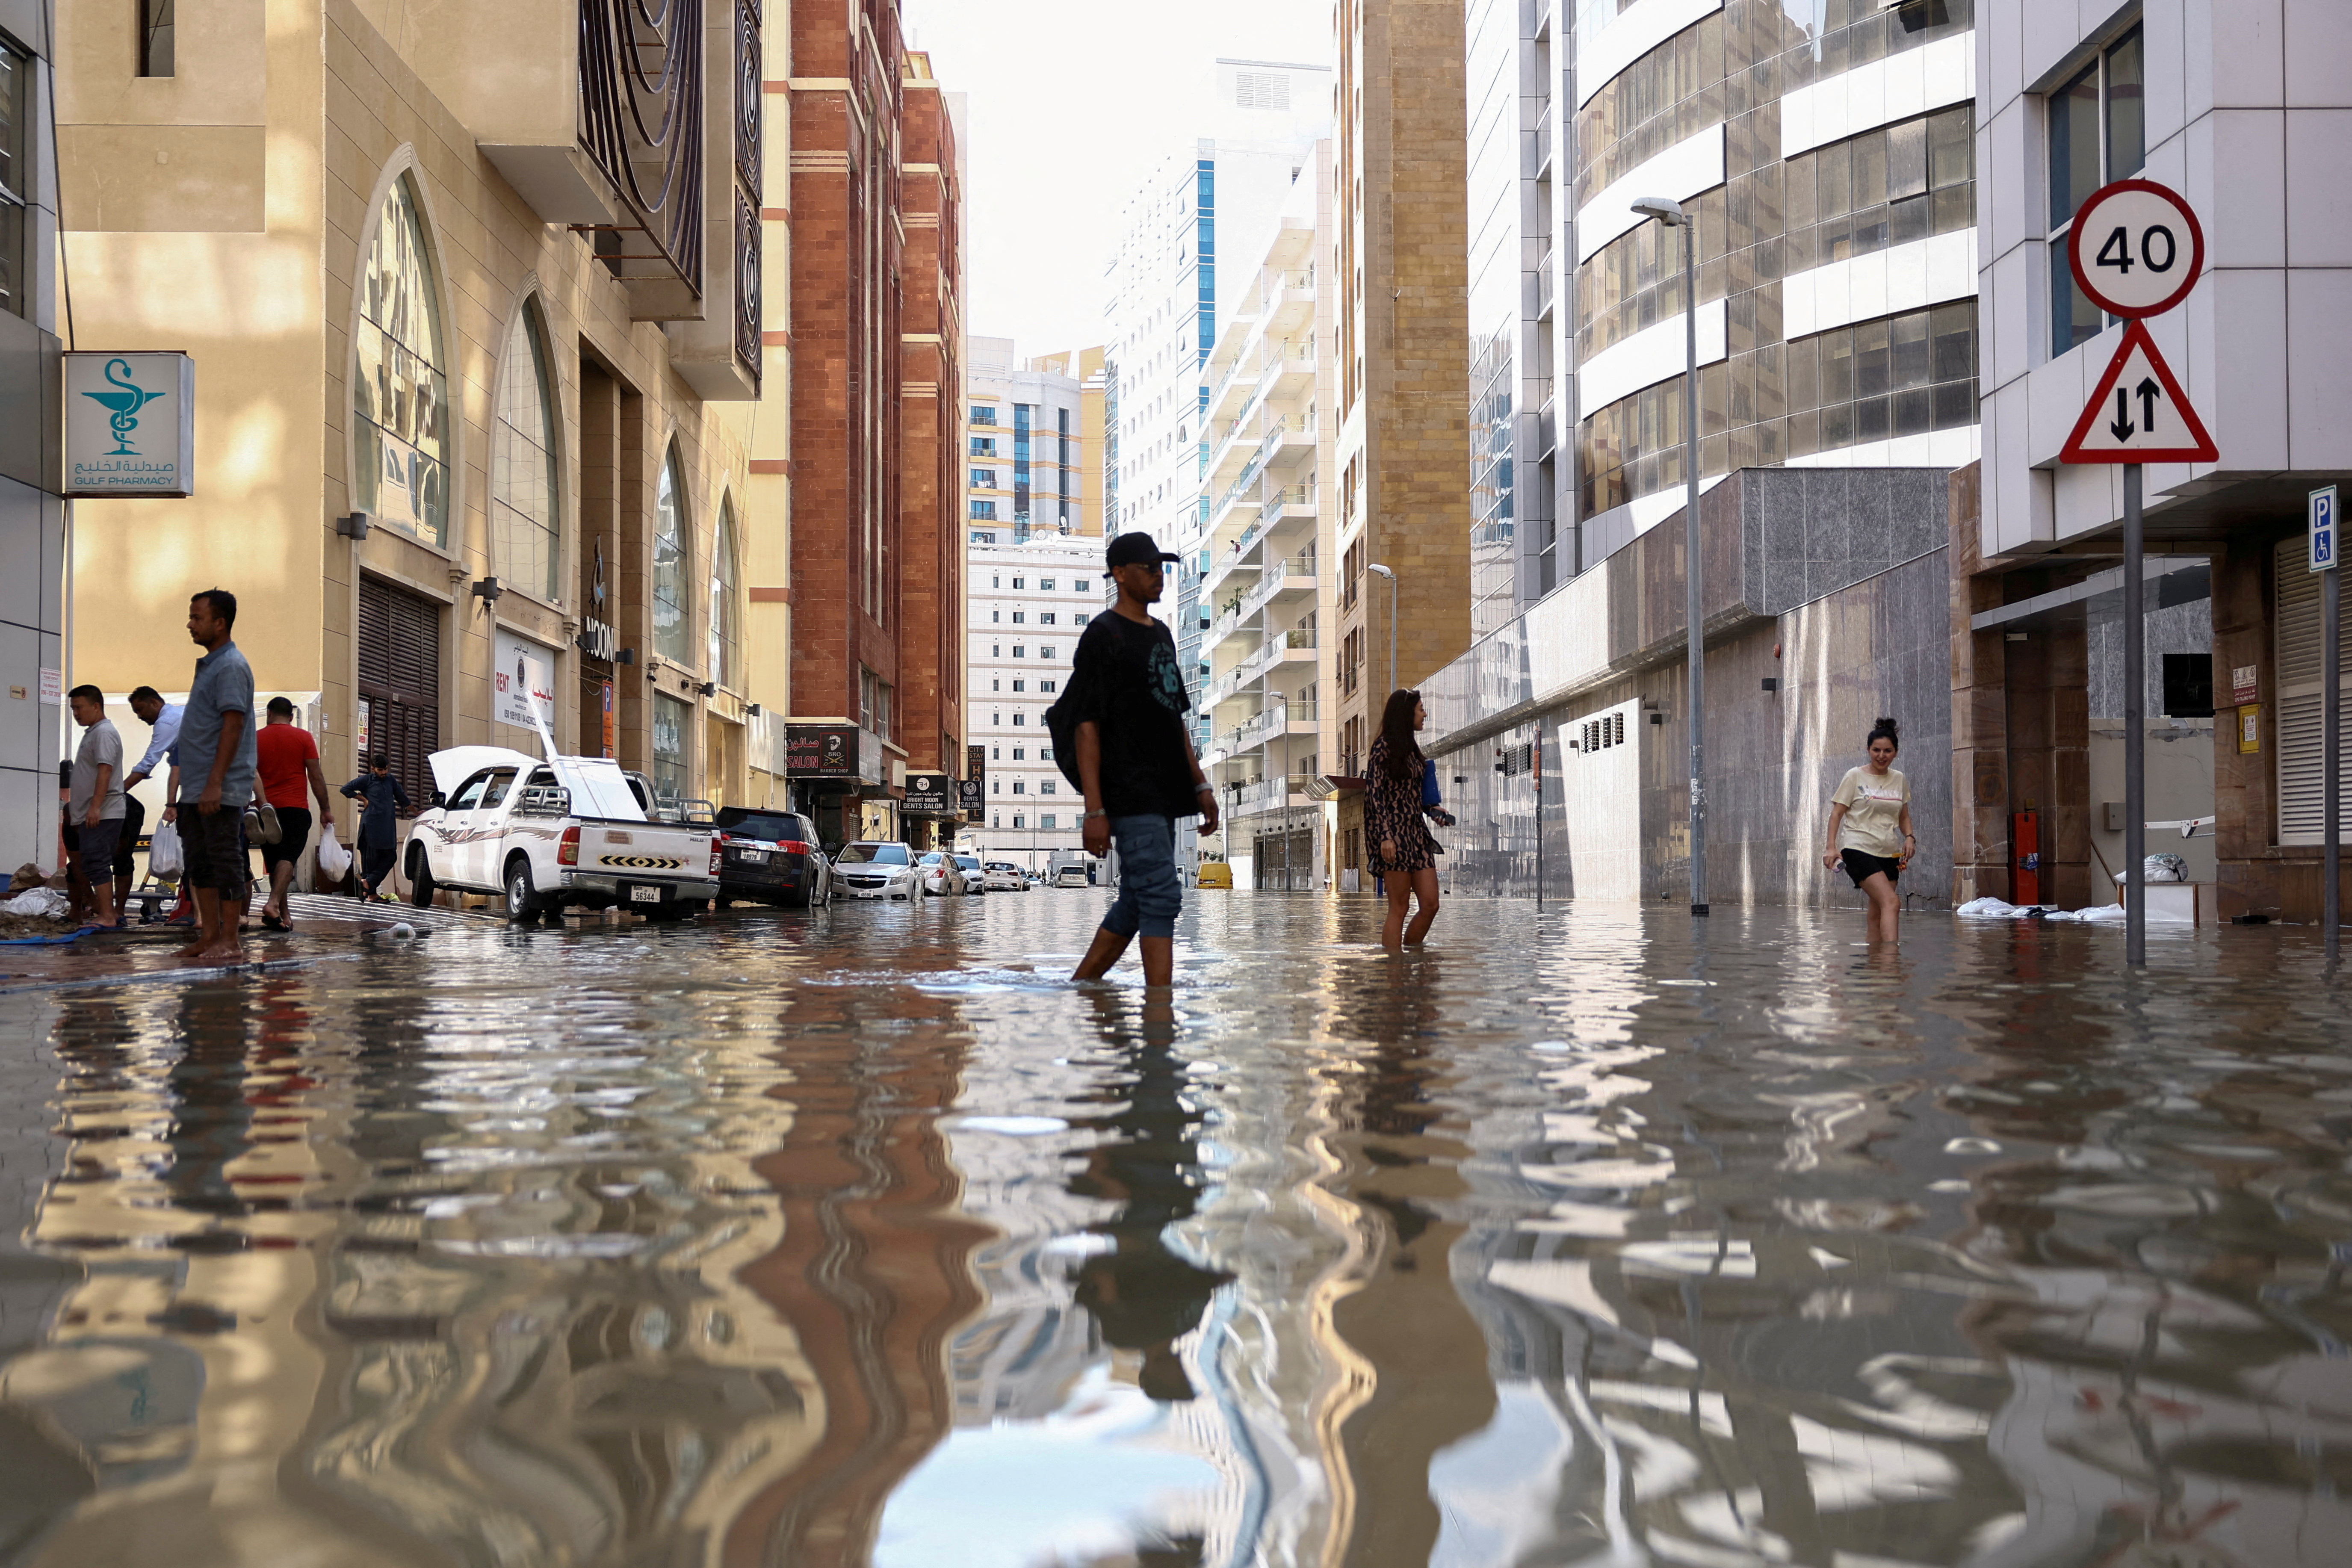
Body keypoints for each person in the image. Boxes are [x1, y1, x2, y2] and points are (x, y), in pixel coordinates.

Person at [1061, 531, 1220, 986]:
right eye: (1149, 568)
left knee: (1137, 897)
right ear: (1120, 573)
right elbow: (1086, 727)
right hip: (1127, 789)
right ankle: (1159, 1012)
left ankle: (1083, 988)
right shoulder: (1102, 636)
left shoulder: (1163, 634)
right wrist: (1094, 809)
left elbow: (1175, 717)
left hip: (1166, 789)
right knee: (1161, 894)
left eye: (1162, 567)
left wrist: (1200, 784)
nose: (1158, 576)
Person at [174, 589, 259, 962]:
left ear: (219, 623)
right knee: (200, 862)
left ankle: (231, 940)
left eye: (197, 617)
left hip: (218, 789)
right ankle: (209, 936)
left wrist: (215, 782)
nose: (190, 624)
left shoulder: (231, 666)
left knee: (226, 860)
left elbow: (233, 725)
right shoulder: (211, 664)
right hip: (196, 788)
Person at [1365, 688, 1449, 950]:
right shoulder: (1382, 748)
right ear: (1406, 713)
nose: (1425, 714)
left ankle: (1412, 956)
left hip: (1417, 833)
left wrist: (1432, 809)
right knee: (1399, 908)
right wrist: (1386, 837)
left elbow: (1413, 793)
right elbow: (1374, 796)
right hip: (1393, 833)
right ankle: (1394, 972)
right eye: (1421, 709)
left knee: (1431, 904)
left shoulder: (1412, 748)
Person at [1823, 716, 1915, 944]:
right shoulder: (1854, 776)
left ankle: (1876, 968)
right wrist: (1831, 848)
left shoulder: (1899, 779)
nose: (1881, 756)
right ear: (1868, 750)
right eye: (1876, 750)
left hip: (1890, 853)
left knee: (1878, 913)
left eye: (1888, 751)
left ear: (1896, 752)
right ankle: (1892, 962)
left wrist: (1910, 837)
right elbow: (1836, 814)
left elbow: (1903, 815)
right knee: (1892, 903)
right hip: (1858, 849)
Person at [253, 696, 335, 930]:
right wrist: (326, 809)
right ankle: (271, 904)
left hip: (265, 808)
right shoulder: (303, 738)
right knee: (288, 859)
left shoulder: (256, 739)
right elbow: (316, 776)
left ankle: (282, 916)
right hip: (295, 808)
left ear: (269, 713)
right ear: (291, 717)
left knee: (276, 861)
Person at [118, 685, 183, 918]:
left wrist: (118, 792)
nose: (140, 716)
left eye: (141, 709)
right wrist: (171, 803)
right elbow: (176, 767)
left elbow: (149, 762)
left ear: (155, 703)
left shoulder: (166, 724)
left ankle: (193, 909)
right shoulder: (183, 715)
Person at [65, 686, 127, 930]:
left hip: (104, 811)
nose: (76, 713)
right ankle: (106, 914)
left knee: (97, 862)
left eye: (79, 708)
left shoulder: (104, 733)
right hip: (92, 812)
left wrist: (95, 807)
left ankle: (108, 916)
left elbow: (105, 770)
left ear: (96, 706)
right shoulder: (93, 733)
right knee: (91, 862)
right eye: (72, 709)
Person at [341, 753, 411, 900]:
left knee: (391, 857)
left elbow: (402, 798)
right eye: (381, 770)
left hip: (387, 828)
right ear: (373, 769)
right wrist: (362, 798)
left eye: (386, 769)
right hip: (370, 827)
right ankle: (370, 894)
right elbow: (345, 789)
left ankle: (369, 884)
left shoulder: (390, 780)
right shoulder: (366, 780)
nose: (384, 772)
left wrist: (417, 812)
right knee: (370, 862)